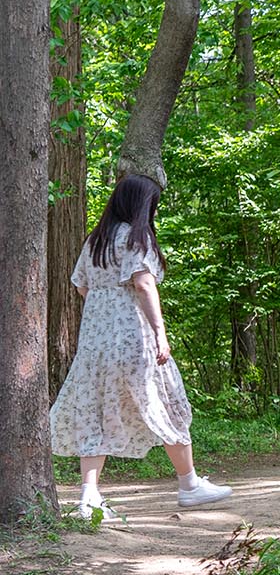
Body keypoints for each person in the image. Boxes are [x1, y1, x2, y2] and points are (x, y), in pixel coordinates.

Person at [48, 174, 233, 520]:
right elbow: (145, 284)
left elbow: (82, 288)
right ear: (141, 205)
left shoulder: (95, 241)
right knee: (166, 402)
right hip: (134, 338)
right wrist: (160, 334)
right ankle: (189, 484)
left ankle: (89, 497)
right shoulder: (137, 237)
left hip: (95, 343)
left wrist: (105, 313)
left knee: (95, 410)